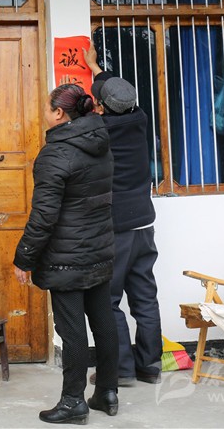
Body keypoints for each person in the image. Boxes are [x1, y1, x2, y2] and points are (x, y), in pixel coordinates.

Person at [13, 83, 120, 424]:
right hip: (99, 249)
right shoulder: (100, 143)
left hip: (67, 258)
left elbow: (44, 216)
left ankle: (73, 401)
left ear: (59, 113)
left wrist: (24, 258)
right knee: (103, 322)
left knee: (72, 331)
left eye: (47, 108)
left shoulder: (56, 154)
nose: (44, 113)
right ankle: (107, 392)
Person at [85, 45, 163, 387]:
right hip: (144, 223)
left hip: (116, 228)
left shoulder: (98, 131)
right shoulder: (139, 117)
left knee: (108, 299)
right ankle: (150, 366)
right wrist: (94, 67)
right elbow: (115, 90)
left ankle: (121, 369)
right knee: (145, 296)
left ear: (101, 108)